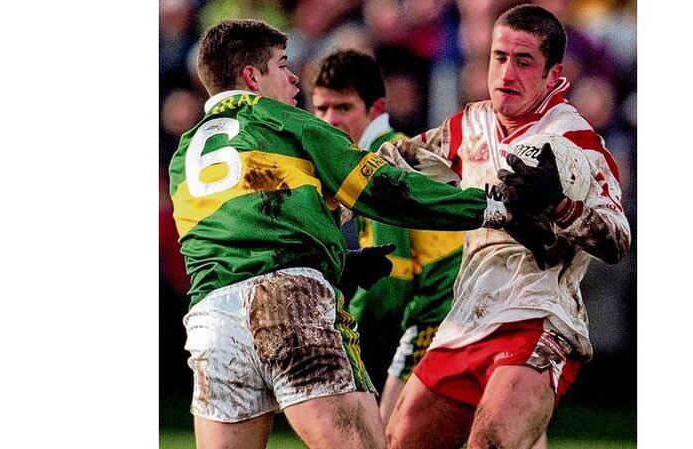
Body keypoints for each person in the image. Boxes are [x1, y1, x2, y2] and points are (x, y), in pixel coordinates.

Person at [168, 19, 539, 449]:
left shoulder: (184, 155)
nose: (293, 77)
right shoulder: (289, 123)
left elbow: (249, 232)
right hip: (287, 302)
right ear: (251, 77)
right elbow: (382, 190)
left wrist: (337, 263)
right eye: (282, 64)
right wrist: (493, 207)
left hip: (211, 321)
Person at [378, 5, 632, 449]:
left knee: (492, 442)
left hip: (538, 316)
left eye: (523, 61)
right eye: (499, 57)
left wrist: (560, 206)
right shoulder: (470, 125)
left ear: (554, 75)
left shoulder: (576, 142)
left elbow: (617, 238)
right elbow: (396, 162)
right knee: (399, 442)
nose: (506, 73)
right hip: (466, 320)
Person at [311, 49, 463, 422]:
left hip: (440, 305)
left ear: (376, 108)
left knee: (388, 430)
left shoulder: (378, 163)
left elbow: (390, 278)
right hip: (466, 297)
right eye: (321, 108)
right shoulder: (394, 148)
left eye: (343, 108)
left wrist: (340, 331)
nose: (330, 120)